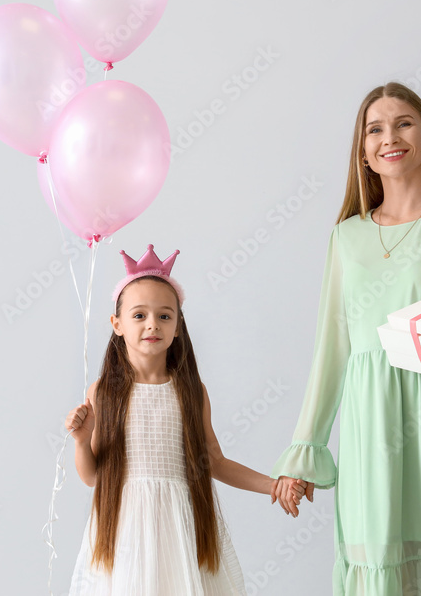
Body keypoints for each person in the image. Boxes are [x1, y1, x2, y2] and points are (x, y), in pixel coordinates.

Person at [271, 83, 421, 595]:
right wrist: (305, 449)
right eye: (374, 129)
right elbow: (332, 348)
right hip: (372, 424)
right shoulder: (346, 236)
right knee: (378, 565)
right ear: (363, 151)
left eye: (403, 123)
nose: (390, 138)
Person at [65, 245, 306, 595]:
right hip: (125, 532)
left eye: (165, 316)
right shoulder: (104, 392)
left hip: (180, 528)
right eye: (139, 315)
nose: (152, 324)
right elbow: (92, 477)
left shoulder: (191, 391)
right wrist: (81, 441)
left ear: (178, 326)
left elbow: (214, 461)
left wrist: (273, 485)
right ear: (117, 325)